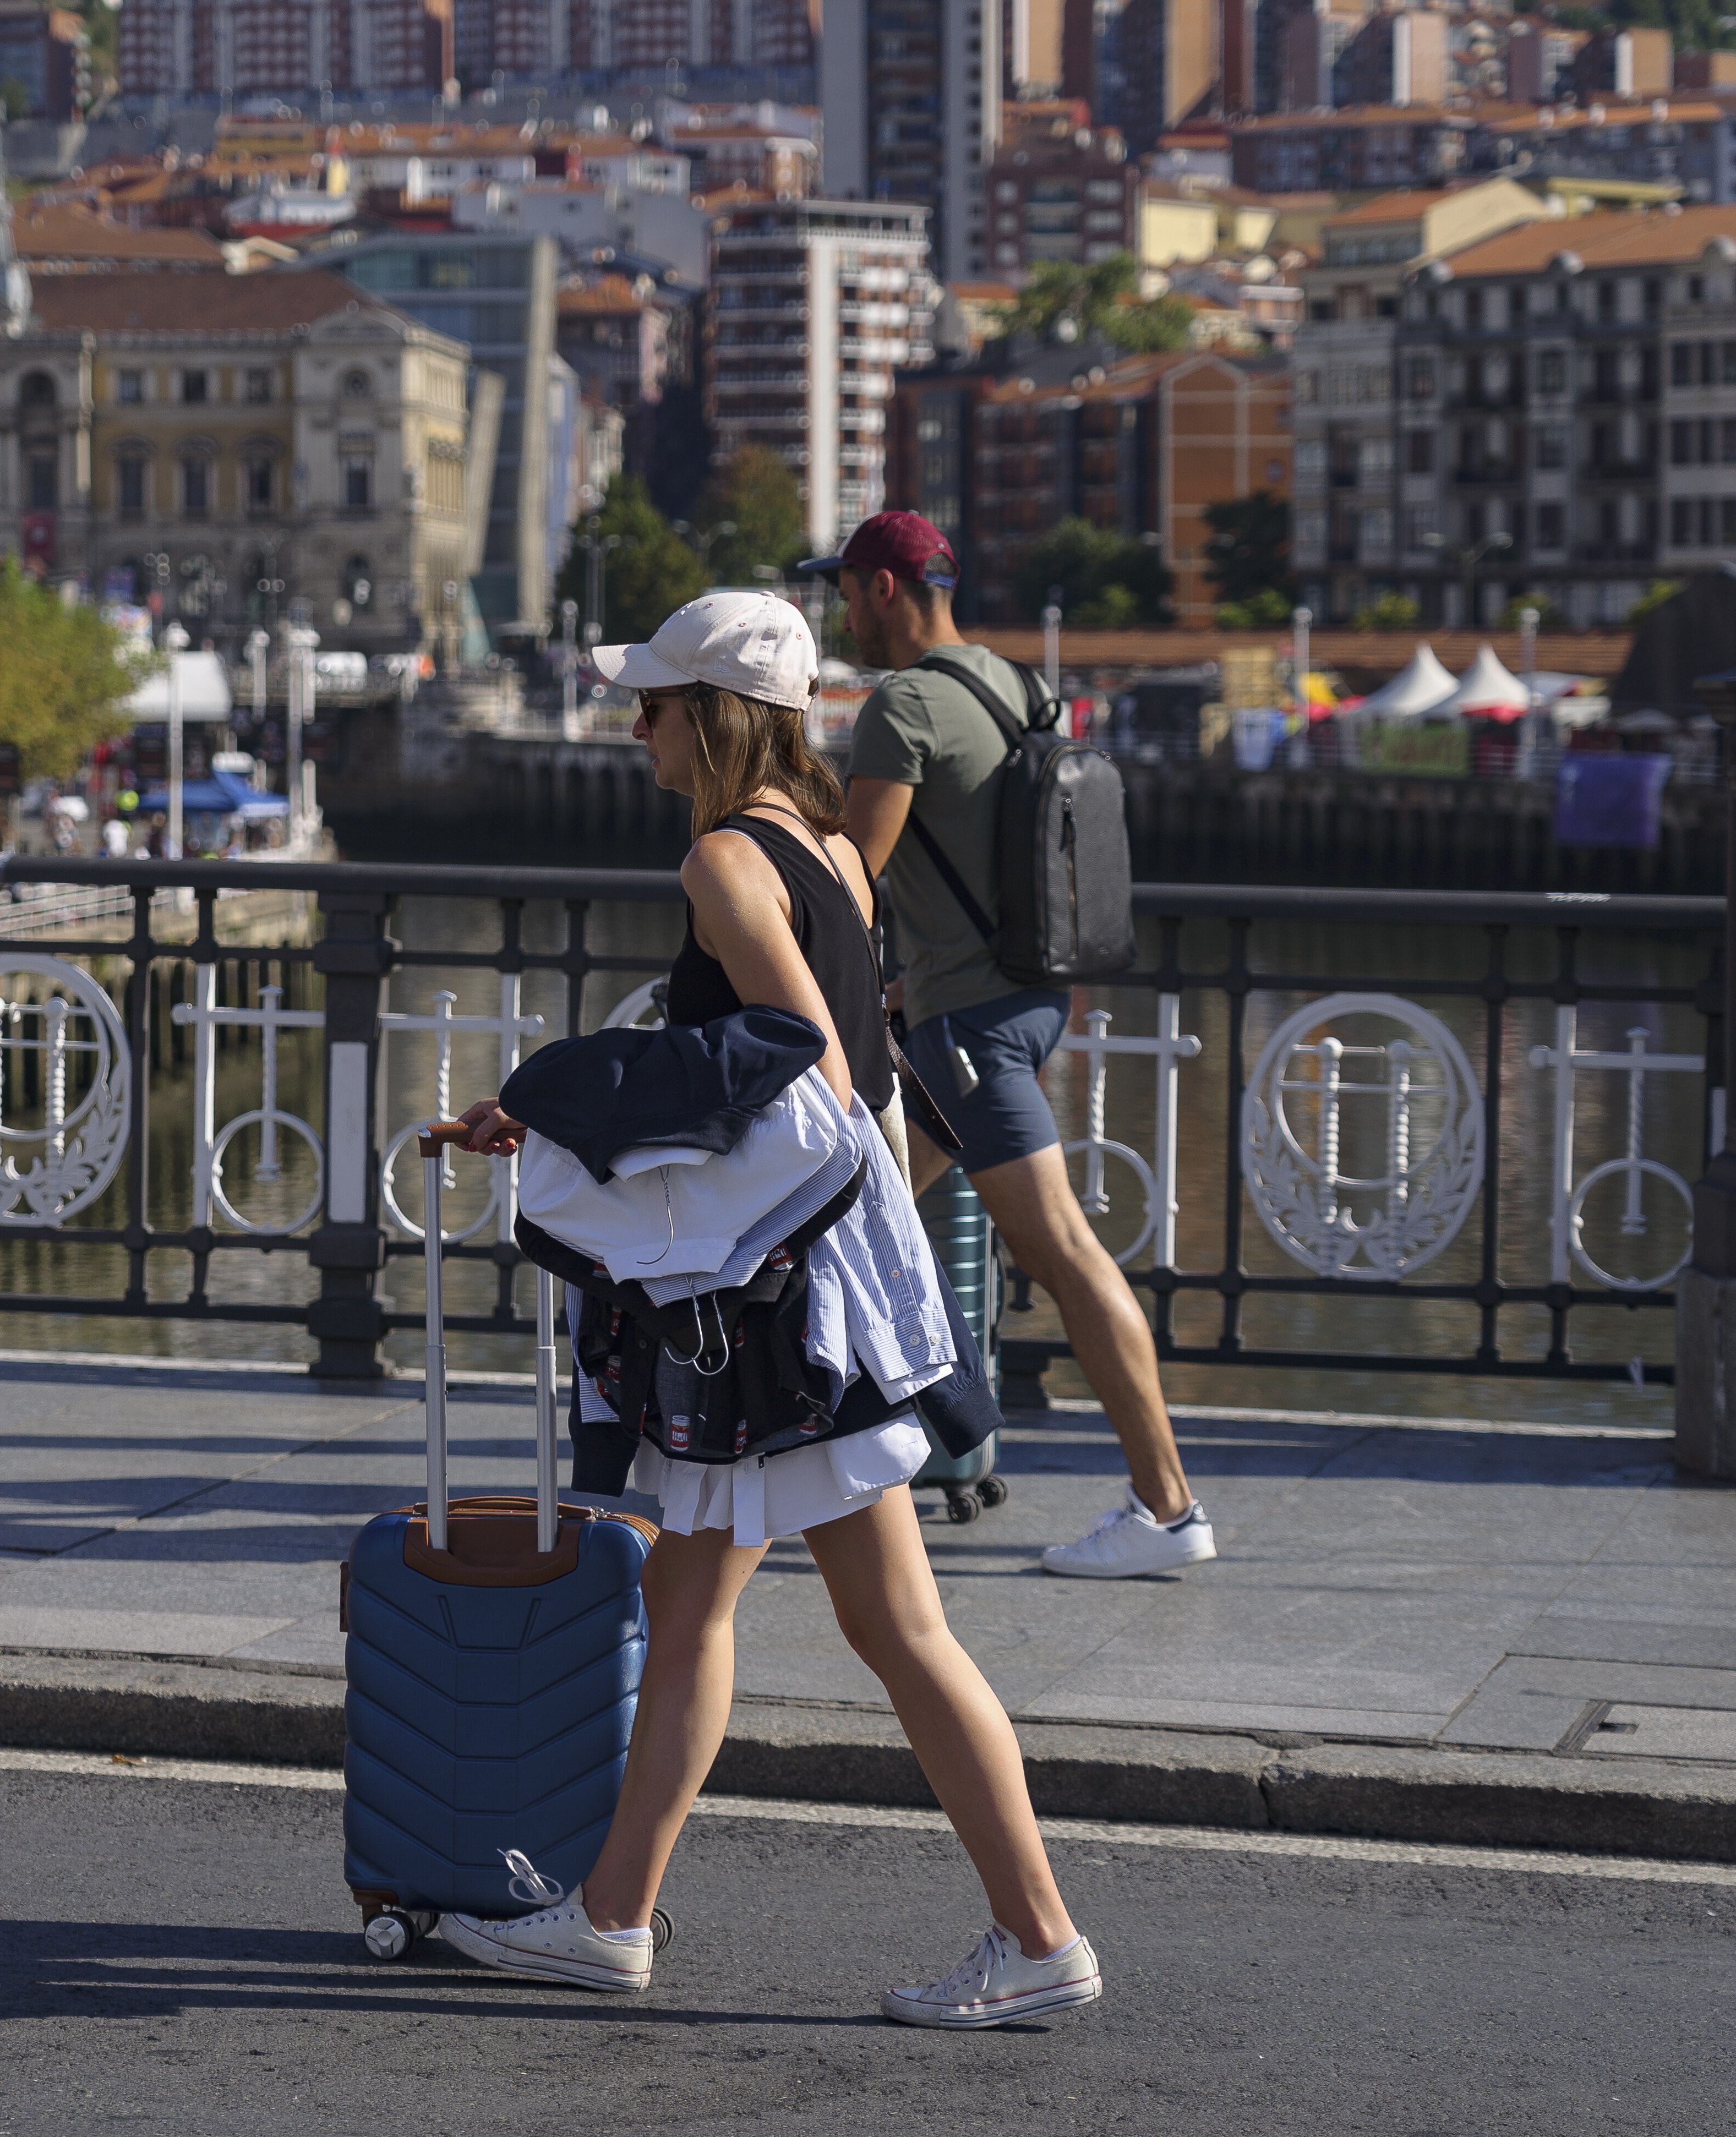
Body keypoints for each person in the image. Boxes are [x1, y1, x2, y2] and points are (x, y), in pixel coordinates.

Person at [445, 591, 1105, 2030]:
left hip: (773, 1317)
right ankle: (614, 1914)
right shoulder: (825, 852)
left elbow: (788, 1073)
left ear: (713, 715)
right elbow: (821, 1070)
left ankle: (1038, 1931)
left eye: (656, 704)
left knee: (874, 1628)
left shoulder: (723, 860)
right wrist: (555, 1115)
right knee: (703, 1606)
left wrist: (567, 1102)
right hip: (825, 1285)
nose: (636, 727)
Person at [816, 511, 1216, 1580]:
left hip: (967, 1029)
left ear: (886, 589)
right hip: (1033, 993)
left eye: (844, 590)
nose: (837, 612)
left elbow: (855, 869)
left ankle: (1164, 1509)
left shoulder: (898, 704)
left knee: (1063, 1252)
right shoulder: (1004, 679)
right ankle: (835, 1466)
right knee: (858, 1217)